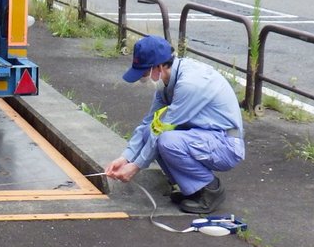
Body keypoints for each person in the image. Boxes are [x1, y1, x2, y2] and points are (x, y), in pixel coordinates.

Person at [104, 35, 245, 214]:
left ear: (160, 67)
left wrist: (135, 166)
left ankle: (210, 190)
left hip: (226, 144)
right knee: (150, 132)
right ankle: (193, 190)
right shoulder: (168, 81)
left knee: (167, 140)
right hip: (203, 136)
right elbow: (150, 123)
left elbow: (163, 128)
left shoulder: (189, 84)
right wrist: (125, 158)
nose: (143, 78)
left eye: (145, 73)